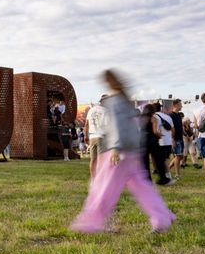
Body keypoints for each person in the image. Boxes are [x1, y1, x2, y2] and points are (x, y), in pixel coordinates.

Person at [71, 69, 176, 234]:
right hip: (132, 151)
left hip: (118, 152)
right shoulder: (126, 100)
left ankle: (92, 221)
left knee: (104, 187)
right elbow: (133, 126)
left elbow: (117, 126)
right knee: (143, 188)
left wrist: (116, 148)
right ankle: (162, 217)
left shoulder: (114, 102)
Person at [142, 104, 173, 186]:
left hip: (142, 141)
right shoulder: (153, 118)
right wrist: (160, 135)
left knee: (145, 161)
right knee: (159, 159)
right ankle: (163, 179)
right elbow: (155, 131)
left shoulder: (140, 118)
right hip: (152, 140)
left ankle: (147, 180)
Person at [84, 95, 107, 179]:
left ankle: (93, 178)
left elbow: (86, 124)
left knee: (93, 160)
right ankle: (100, 178)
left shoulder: (91, 110)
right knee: (101, 160)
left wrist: (85, 135)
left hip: (92, 136)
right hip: (101, 136)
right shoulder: (106, 111)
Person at [155, 104, 176, 184]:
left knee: (162, 160)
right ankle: (167, 175)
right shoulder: (168, 117)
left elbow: (156, 130)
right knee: (166, 159)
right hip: (168, 141)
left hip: (161, 141)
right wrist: (172, 139)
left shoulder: (155, 117)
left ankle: (168, 176)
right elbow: (173, 130)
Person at [168, 100, 185, 179]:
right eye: (180, 104)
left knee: (180, 156)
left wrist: (184, 133)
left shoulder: (178, 115)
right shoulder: (171, 115)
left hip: (180, 137)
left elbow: (179, 126)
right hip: (175, 138)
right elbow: (171, 128)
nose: (181, 106)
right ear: (175, 105)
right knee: (178, 156)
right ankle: (177, 174)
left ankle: (167, 170)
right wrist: (172, 139)